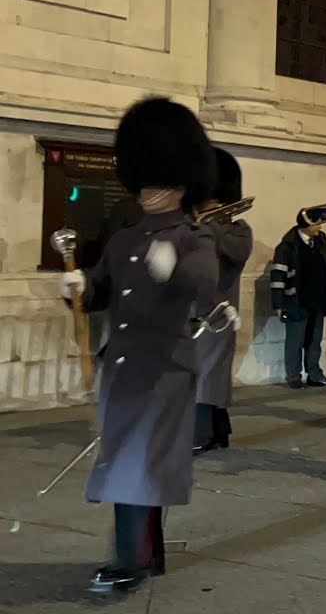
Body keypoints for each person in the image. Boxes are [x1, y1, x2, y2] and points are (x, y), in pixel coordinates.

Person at [60, 98, 219, 592]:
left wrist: (176, 267)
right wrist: (80, 287)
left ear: (179, 183)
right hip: (122, 370)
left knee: (138, 465)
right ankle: (147, 554)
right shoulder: (125, 239)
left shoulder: (194, 238)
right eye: (146, 180)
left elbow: (206, 284)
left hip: (164, 371)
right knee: (131, 463)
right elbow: (103, 289)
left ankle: (130, 559)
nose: (149, 190)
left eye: (159, 181)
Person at [192, 148, 253, 454]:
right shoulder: (196, 228)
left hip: (219, 313)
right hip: (195, 310)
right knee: (203, 373)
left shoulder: (237, 231)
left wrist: (210, 223)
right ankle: (219, 431)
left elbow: (236, 254)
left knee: (207, 374)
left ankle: (201, 435)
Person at [270, 211, 326, 389]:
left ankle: (315, 375)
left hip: (318, 300)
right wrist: (278, 304)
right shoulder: (287, 246)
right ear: (307, 225)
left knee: (314, 341)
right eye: (317, 224)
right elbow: (278, 275)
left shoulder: (320, 241)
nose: (320, 227)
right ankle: (293, 376)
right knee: (295, 341)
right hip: (296, 301)